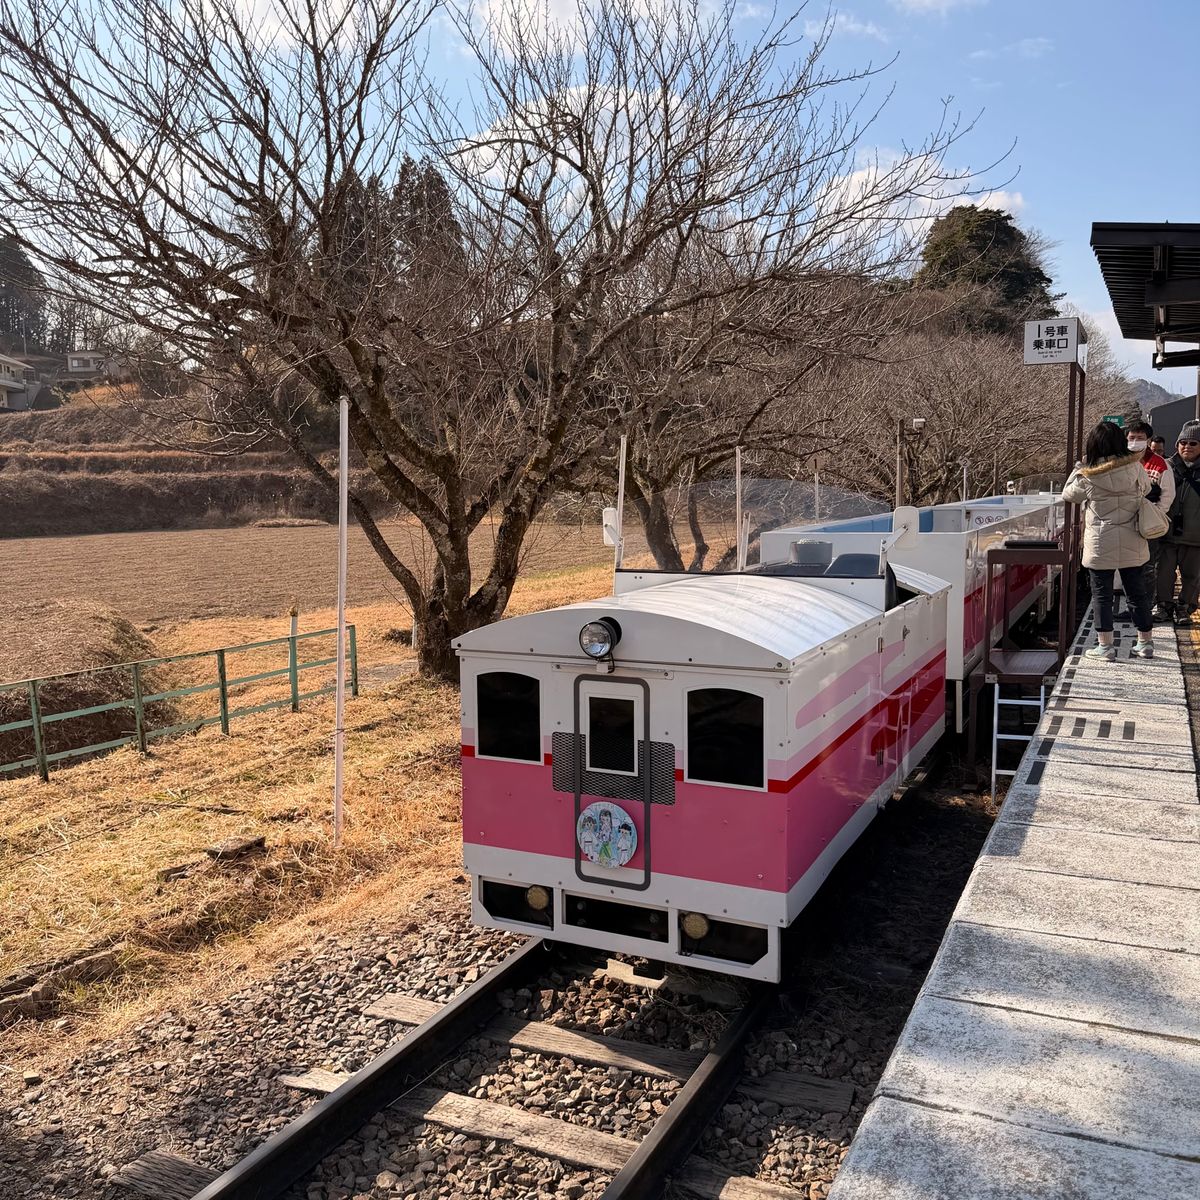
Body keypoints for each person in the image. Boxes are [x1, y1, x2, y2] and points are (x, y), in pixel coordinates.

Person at [1063, 421, 1154, 660]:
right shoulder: (1135, 468)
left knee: (1101, 595)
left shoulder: (1088, 475)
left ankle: (1105, 647)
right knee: (1136, 593)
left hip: (1100, 542)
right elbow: (1146, 489)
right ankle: (1144, 644)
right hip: (1132, 538)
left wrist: (1079, 467)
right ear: (1121, 443)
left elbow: (1068, 495)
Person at [1124, 419, 1175, 621]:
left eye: (1140, 438)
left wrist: (1154, 515)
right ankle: (1132, 607)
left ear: (1148, 440)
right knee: (1128, 567)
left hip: (1148, 525)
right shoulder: (1122, 461)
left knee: (1146, 566)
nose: (1135, 441)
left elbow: (1167, 495)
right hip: (1125, 523)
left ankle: (1144, 608)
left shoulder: (1161, 464)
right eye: (1132, 437)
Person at [1158, 419, 1200, 624]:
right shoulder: (1166, 467)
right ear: (1177, 445)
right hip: (1168, 533)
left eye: (1193, 443)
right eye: (1183, 442)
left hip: (1196, 536)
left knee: (1192, 577)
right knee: (1163, 573)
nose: (1187, 446)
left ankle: (1185, 608)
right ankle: (1164, 607)